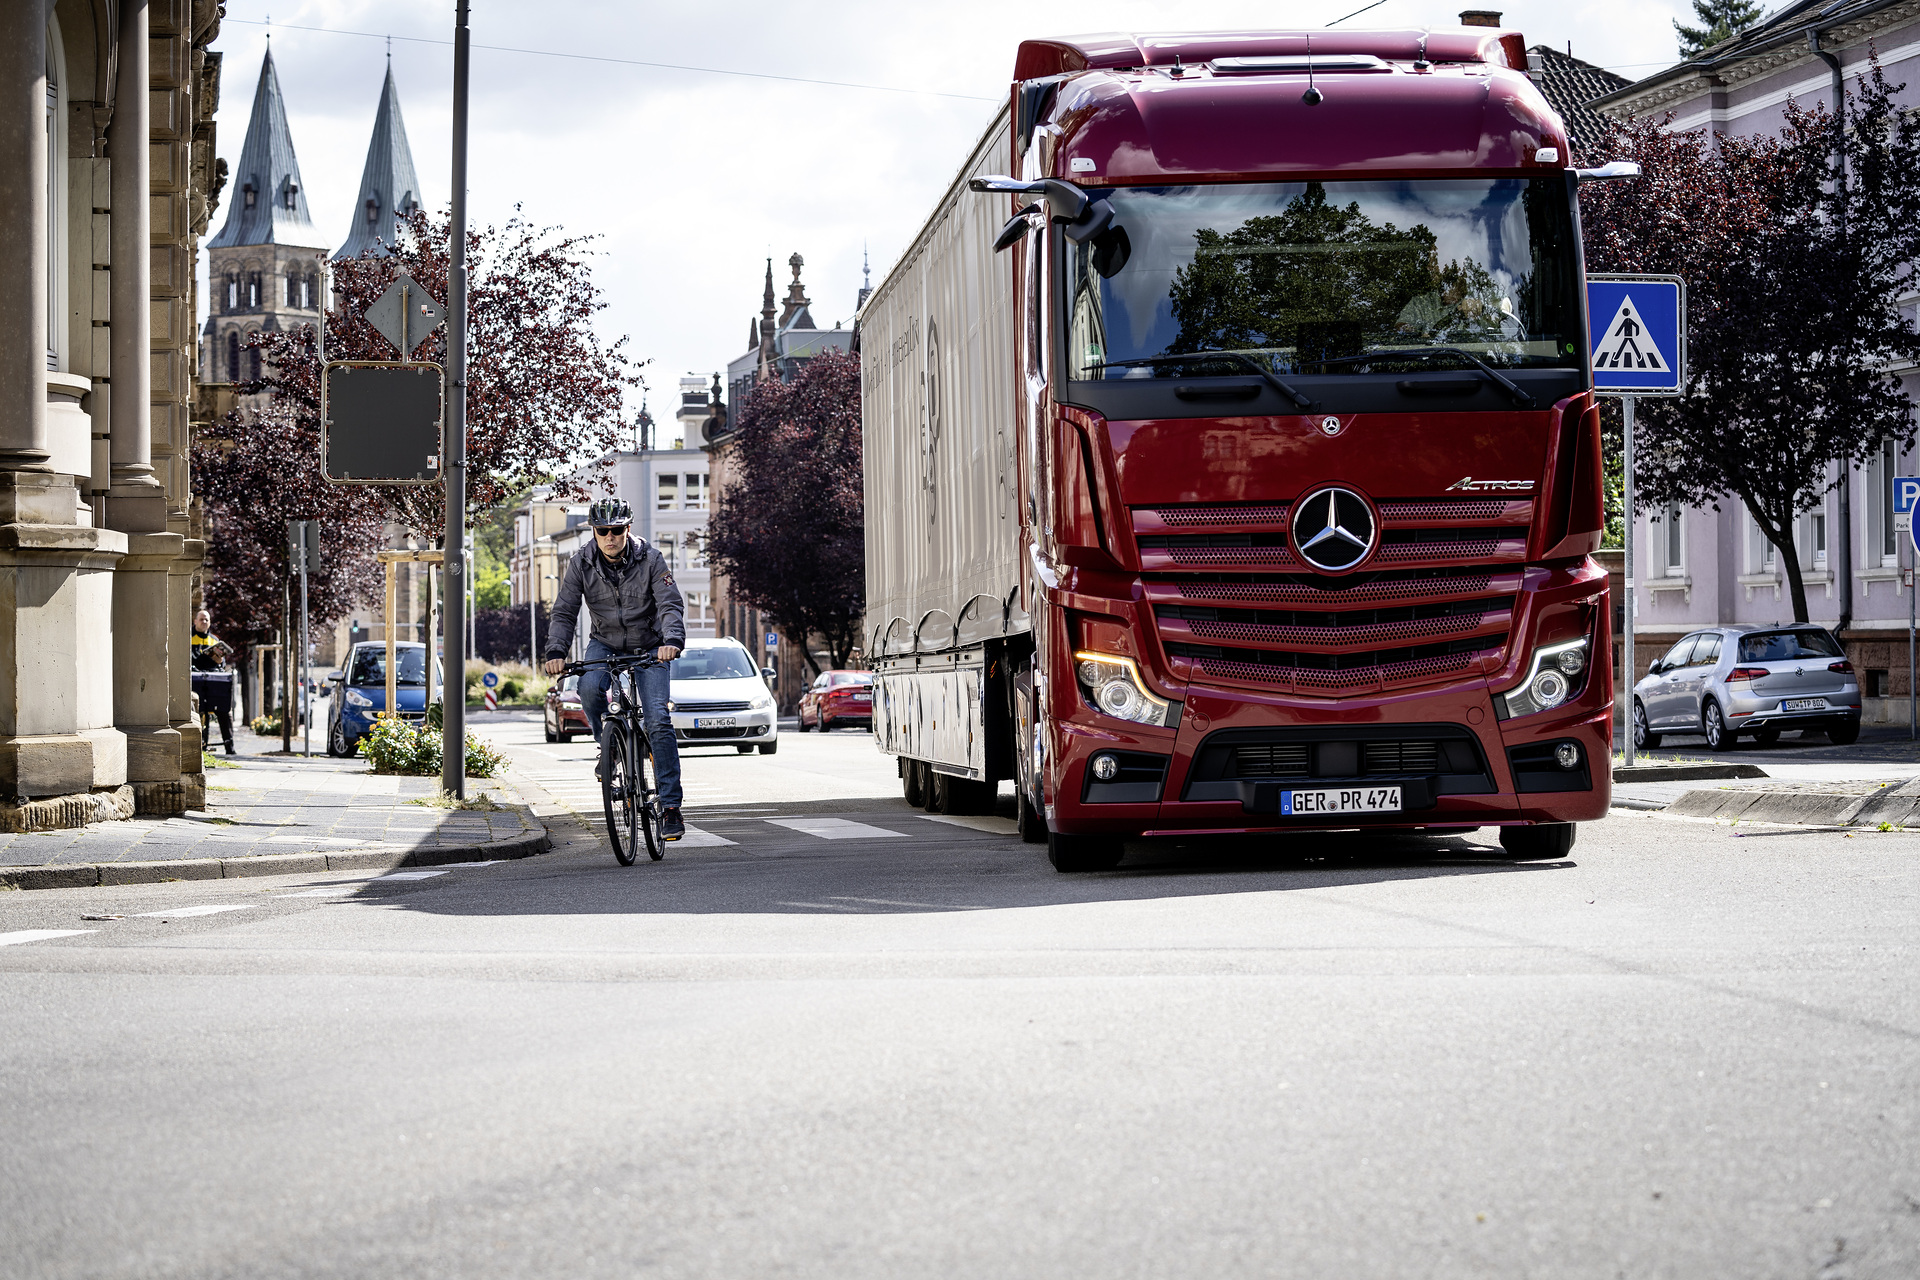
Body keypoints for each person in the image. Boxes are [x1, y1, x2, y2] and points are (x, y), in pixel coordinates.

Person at [542, 498, 686, 841]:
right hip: (604, 641)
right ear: (593, 532)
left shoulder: (651, 558)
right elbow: (564, 611)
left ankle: (670, 807)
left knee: (657, 719)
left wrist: (672, 641)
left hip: (650, 645)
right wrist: (556, 651)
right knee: (589, 688)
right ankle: (608, 748)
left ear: (628, 529)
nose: (610, 537)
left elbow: (670, 604)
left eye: (617, 530)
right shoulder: (581, 562)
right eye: (603, 531)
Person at [191, 608, 237, 755]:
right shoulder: (187, 639)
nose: (204, 622)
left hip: (214, 683)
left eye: (207, 620)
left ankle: (230, 746)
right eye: (201, 619)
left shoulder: (215, 641)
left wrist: (220, 660)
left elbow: (221, 665)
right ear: (195, 621)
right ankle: (200, 745)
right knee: (199, 711)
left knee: (224, 710)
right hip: (196, 682)